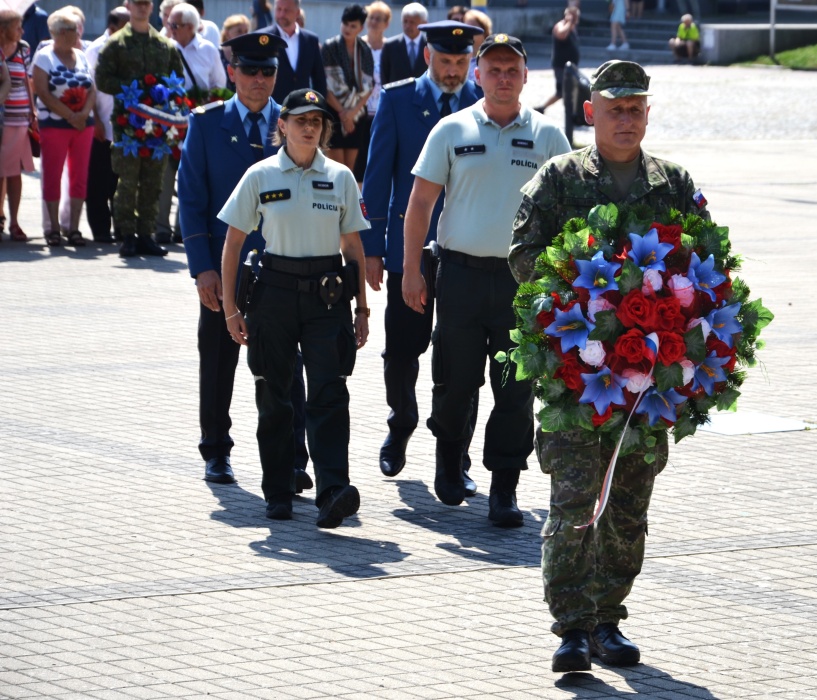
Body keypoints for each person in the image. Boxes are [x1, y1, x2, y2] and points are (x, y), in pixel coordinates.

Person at [508, 59, 710, 673]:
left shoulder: (673, 184)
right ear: (590, 112)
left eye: (636, 108)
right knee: (573, 501)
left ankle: (608, 619)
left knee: (627, 502)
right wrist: (590, 306)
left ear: (647, 113)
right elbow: (523, 260)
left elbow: (705, 265)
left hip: (648, 382)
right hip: (580, 371)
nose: (626, 119)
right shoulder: (559, 178)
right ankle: (571, 626)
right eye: (614, 108)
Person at [402, 34, 570, 526]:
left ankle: (504, 487)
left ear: (524, 77)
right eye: (492, 69)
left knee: (514, 387)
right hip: (459, 277)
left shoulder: (547, 136)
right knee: (456, 381)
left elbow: (565, 215)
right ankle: (450, 457)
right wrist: (412, 270)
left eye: (511, 70)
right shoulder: (451, 130)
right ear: (477, 75)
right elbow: (419, 207)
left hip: (522, 284)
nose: (502, 78)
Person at [218, 88, 370, 528]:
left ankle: (332, 491)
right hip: (274, 296)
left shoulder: (341, 177)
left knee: (328, 393)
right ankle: (278, 488)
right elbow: (233, 244)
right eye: (300, 120)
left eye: (317, 122)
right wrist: (230, 308)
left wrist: (362, 309)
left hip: (327, 298)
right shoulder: (260, 175)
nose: (309, 127)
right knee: (276, 396)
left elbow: (353, 246)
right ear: (281, 125)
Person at [178, 28, 310, 490]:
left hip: (283, 269)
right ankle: (216, 450)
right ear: (232, 71)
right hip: (225, 267)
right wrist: (203, 269)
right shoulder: (207, 123)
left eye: (268, 71)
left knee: (287, 365)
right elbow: (191, 201)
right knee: (218, 359)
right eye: (250, 70)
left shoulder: (295, 124)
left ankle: (295, 458)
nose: (259, 79)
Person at [361, 20, 483, 489]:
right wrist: (372, 248)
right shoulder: (397, 99)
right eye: (445, 61)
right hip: (408, 251)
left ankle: (458, 457)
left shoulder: (482, 103)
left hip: (463, 252)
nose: (453, 71)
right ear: (427, 57)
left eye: (461, 62)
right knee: (404, 349)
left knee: (462, 360)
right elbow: (376, 178)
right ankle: (401, 420)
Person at [95, 0, 185, 258]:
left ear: (152, 7)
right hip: (128, 126)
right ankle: (126, 236)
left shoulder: (164, 45)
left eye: (146, 3)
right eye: (137, 3)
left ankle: (146, 234)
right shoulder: (116, 44)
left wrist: (162, 95)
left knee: (152, 182)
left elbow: (177, 80)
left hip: (157, 126)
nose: (142, 7)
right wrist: (136, 88)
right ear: (128, 6)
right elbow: (102, 79)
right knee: (127, 182)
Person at [154, 2, 225, 244]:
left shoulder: (208, 50)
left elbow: (220, 85)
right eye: (169, 23)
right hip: (166, 122)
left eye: (175, 24)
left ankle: (182, 229)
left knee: (191, 178)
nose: (169, 28)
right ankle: (160, 227)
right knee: (165, 176)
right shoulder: (162, 48)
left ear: (191, 27)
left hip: (198, 124)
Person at [32, 8, 95, 247]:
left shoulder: (82, 55)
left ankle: (74, 228)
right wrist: (70, 115)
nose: (76, 34)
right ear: (56, 32)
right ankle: (53, 228)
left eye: (76, 29)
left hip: (82, 126)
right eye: (70, 30)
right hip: (54, 125)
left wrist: (83, 114)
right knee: (52, 174)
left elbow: (92, 89)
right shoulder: (45, 57)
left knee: (79, 176)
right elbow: (43, 91)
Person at [85, 6, 130, 244]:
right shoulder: (95, 50)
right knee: (99, 183)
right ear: (113, 27)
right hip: (102, 126)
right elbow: (89, 87)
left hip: (128, 129)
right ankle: (101, 231)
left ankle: (123, 230)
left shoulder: (131, 47)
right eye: (126, 26)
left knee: (122, 185)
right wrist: (95, 120)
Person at [321, 4, 373, 173]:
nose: (347, 29)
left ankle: (347, 200)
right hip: (333, 111)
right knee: (335, 168)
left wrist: (351, 113)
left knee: (349, 169)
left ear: (361, 28)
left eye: (353, 26)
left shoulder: (365, 50)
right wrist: (343, 114)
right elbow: (325, 85)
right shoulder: (330, 47)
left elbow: (369, 87)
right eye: (345, 23)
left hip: (356, 115)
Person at [0, 10, 34, 243]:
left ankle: (14, 222)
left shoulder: (24, 49)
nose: (22, 31)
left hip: (20, 120)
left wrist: (33, 111)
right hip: (2, 121)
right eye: (17, 27)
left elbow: (28, 82)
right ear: (3, 31)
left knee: (14, 173)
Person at [352, 0, 391, 184]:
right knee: (358, 163)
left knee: (379, 158)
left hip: (383, 113)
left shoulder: (391, 48)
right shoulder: (355, 46)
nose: (373, 22)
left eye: (378, 19)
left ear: (387, 23)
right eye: (371, 18)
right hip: (359, 113)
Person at [267, 0, 326, 106]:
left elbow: (319, 80)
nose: (281, 14)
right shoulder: (265, 38)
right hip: (272, 110)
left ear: (297, 13)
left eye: (286, 10)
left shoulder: (311, 40)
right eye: (278, 9)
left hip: (302, 111)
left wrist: (318, 108)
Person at [538, 5, 580, 113]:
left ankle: (544, 108)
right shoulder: (561, 26)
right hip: (561, 66)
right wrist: (569, 22)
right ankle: (569, 114)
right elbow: (561, 35)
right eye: (575, 17)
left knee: (567, 90)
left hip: (571, 66)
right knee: (563, 91)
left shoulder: (572, 28)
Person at [379, 3, 427, 86]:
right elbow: (384, 77)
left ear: (423, 23)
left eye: (412, 22)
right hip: (396, 97)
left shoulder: (430, 45)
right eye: (405, 21)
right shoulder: (390, 46)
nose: (408, 25)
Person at [220, 14, 251, 90]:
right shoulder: (217, 54)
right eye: (239, 31)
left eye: (246, 31)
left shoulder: (250, 55)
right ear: (227, 34)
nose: (244, 35)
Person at [462, 9, 491, 82]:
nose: (468, 33)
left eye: (473, 29)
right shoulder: (459, 59)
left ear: (485, 32)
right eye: (466, 29)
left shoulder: (491, 60)